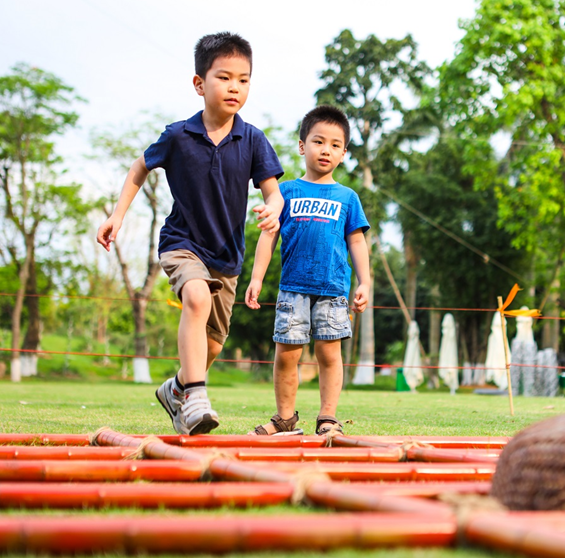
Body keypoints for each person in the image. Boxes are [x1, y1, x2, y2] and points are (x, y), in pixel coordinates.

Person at [96, 32, 284, 436]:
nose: (235, 87)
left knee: (212, 344)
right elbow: (139, 167)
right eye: (224, 77)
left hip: (227, 257)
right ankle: (195, 395)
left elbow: (274, 192)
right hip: (182, 243)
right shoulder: (179, 135)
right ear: (200, 84)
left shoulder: (252, 139)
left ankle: (177, 387)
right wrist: (117, 215)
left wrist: (273, 209)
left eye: (244, 79)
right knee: (196, 296)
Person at [245, 105, 370, 436]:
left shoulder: (347, 197)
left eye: (334, 144)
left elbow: (357, 243)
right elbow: (268, 236)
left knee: (329, 355)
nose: (325, 150)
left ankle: (327, 418)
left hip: (333, 290)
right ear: (302, 146)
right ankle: (284, 418)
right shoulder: (284, 193)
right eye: (318, 141)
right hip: (292, 288)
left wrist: (365, 282)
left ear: (343, 153)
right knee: (287, 354)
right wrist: (257, 278)